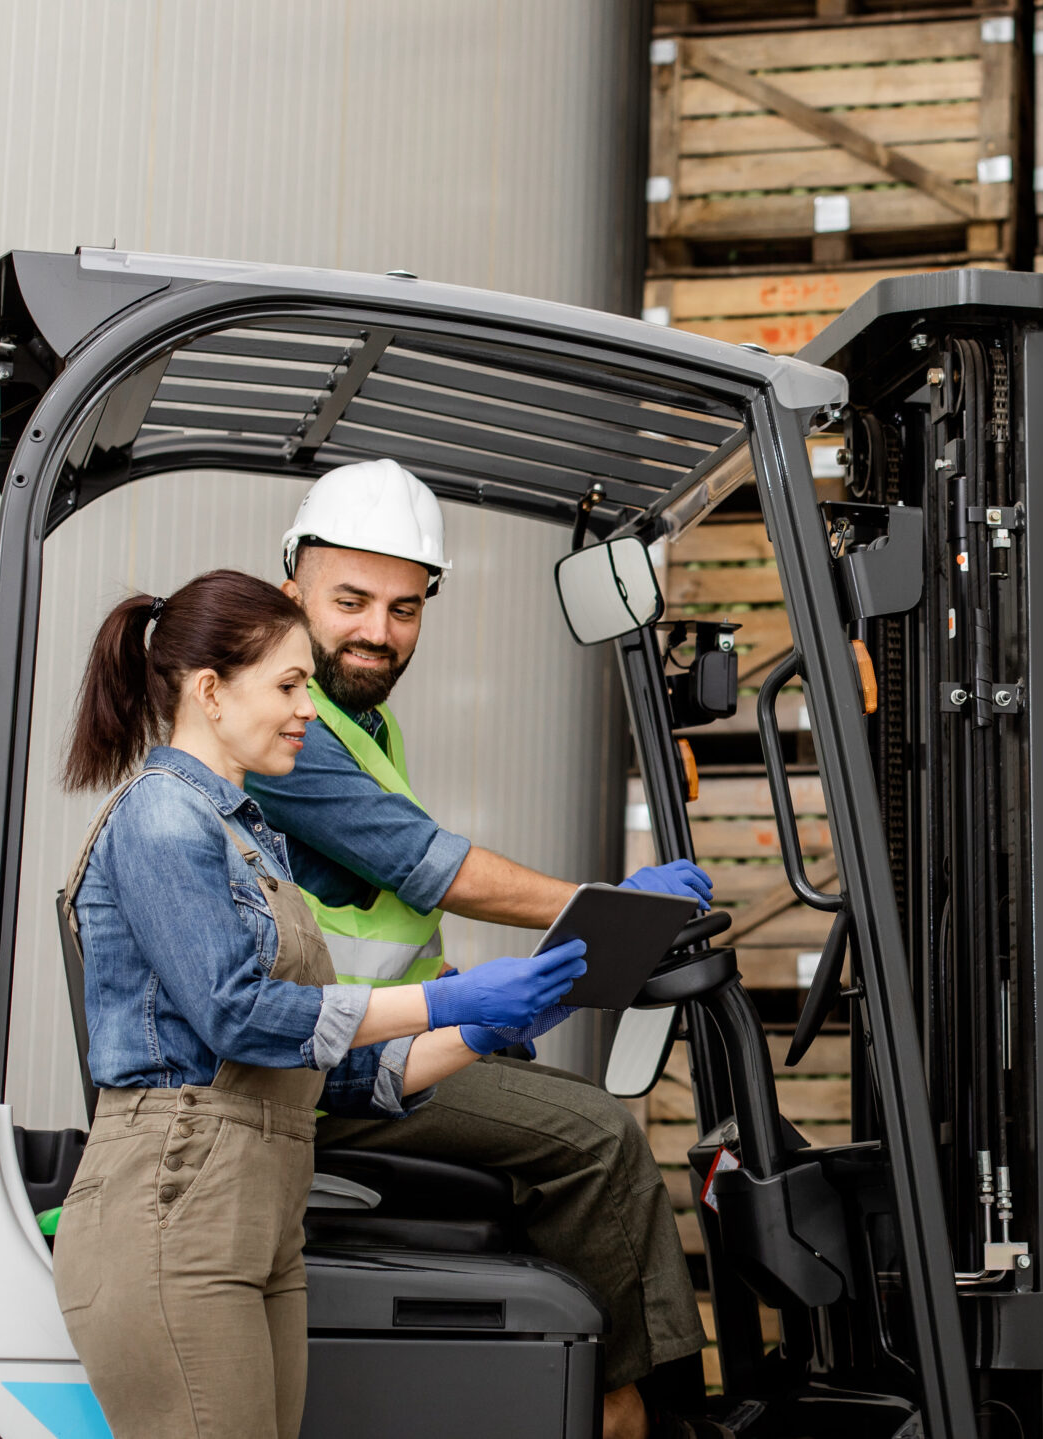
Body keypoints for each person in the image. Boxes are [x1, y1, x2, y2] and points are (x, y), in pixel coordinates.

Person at [51, 569, 588, 1439]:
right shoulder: (160, 819)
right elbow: (239, 1016)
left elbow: (320, 1066)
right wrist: (438, 996)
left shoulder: (249, 838)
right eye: (289, 685)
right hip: (174, 1207)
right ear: (211, 690)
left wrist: (477, 1029)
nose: (309, 708)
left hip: (259, 1212)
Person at [242, 460, 711, 1439]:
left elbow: (368, 913)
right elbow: (427, 867)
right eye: (351, 600)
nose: (378, 629)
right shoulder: (284, 727)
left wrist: (457, 993)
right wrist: (607, 903)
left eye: (404, 607)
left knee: (580, 1124)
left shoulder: (360, 720)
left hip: (373, 1034)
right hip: (325, 1066)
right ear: (292, 585)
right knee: (597, 1136)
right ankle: (631, 1410)